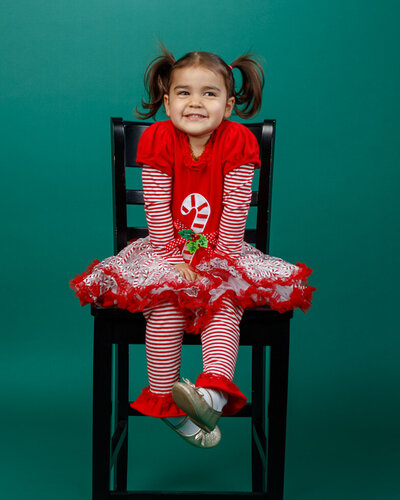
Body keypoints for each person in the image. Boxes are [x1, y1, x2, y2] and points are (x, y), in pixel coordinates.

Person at [70, 45, 315, 449]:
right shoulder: (157, 139)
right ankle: (170, 406)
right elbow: (157, 205)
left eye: (209, 93)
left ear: (229, 105)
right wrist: (172, 260)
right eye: (184, 93)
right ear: (167, 102)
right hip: (164, 250)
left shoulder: (236, 141)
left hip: (225, 250)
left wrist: (215, 263)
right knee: (164, 304)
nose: (196, 102)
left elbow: (236, 211)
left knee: (224, 302)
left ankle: (211, 395)